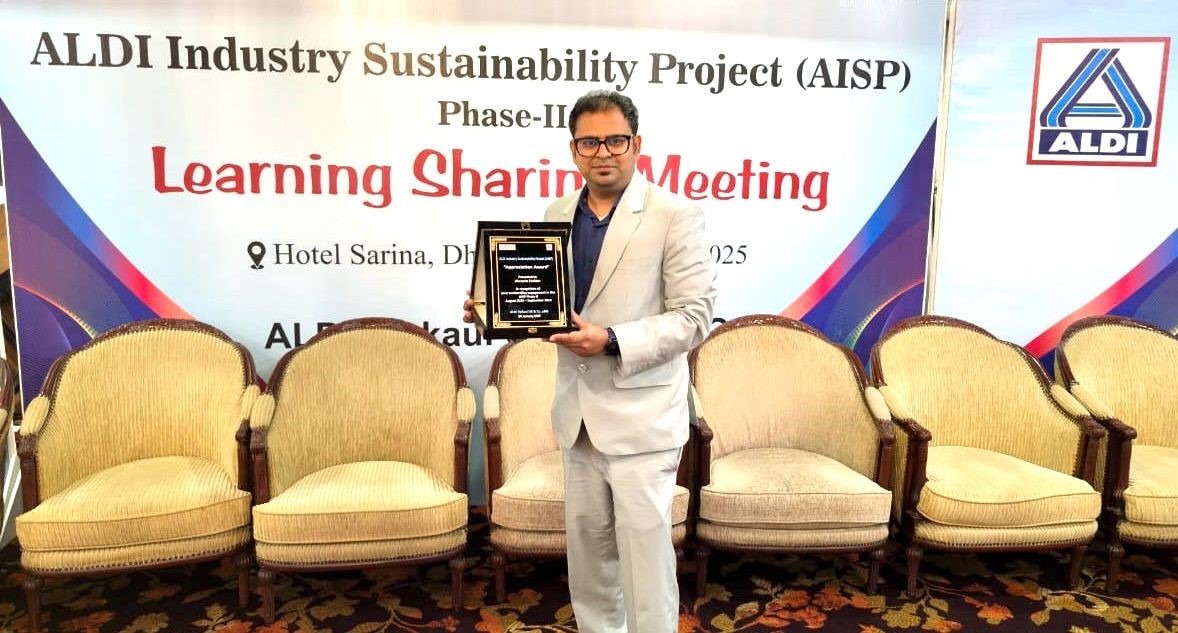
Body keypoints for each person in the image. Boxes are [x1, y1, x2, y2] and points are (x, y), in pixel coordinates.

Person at [466, 90, 715, 632]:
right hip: (576, 417)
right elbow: (551, 307)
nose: (603, 152)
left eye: (615, 140)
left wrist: (612, 340)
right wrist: (495, 310)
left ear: (636, 144)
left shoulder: (674, 214)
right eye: (589, 142)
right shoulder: (557, 213)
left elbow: (694, 317)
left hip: (642, 418)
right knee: (589, 559)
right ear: (573, 149)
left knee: (645, 562)